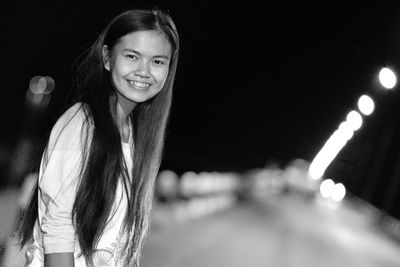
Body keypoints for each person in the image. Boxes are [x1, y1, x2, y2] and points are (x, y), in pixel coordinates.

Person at [15, 8, 180, 267]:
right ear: (106, 57)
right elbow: (58, 231)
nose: (144, 71)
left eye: (158, 61)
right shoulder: (81, 123)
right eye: (132, 56)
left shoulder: (132, 137)